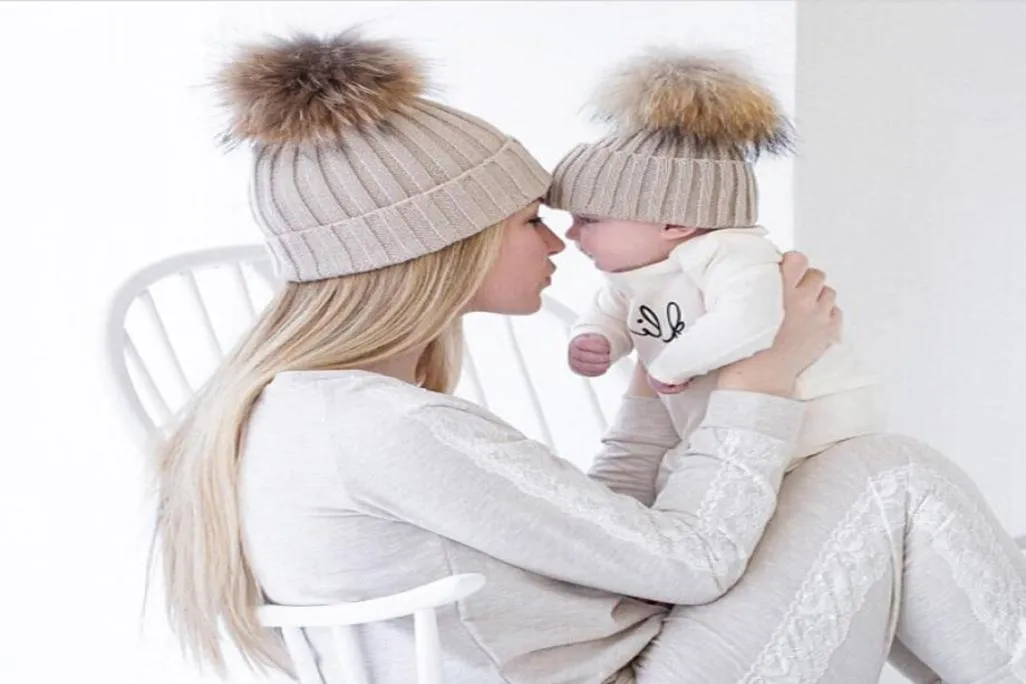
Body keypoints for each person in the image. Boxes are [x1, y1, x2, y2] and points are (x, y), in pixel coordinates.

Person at [152, 30, 1026, 684]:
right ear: (444, 245)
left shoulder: (323, 412)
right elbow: (690, 562)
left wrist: (667, 367)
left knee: (942, 527)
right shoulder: (382, 425)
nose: (560, 241)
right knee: (889, 477)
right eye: (530, 220)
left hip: (628, 652)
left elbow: (609, 536)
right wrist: (766, 377)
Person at [556, 49, 883, 471]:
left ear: (674, 221)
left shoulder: (732, 254)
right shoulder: (635, 276)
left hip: (816, 425)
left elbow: (748, 322)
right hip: (729, 429)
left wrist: (673, 366)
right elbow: (610, 312)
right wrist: (595, 338)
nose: (570, 234)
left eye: (589, 219)